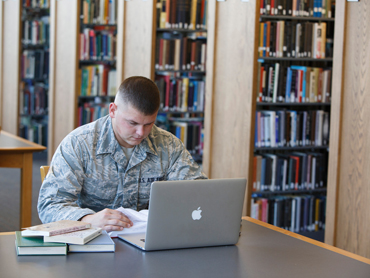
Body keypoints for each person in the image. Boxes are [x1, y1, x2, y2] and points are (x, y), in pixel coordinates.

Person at [38, 76, 207, 232]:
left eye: (149, 124)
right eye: (132, 123)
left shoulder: (168, 145)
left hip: (150, 241)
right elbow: (50, 205)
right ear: (112, 110)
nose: (141, 132)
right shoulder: (79, 144)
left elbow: (198, 194)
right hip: (95, 241)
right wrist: (87, 219)